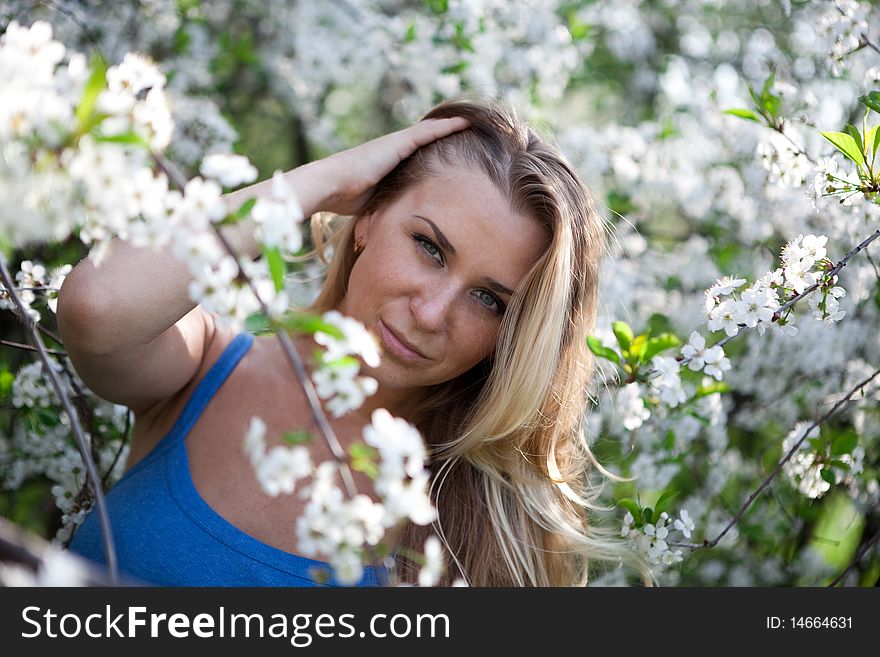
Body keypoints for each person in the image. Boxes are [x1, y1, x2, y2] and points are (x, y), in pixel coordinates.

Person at [58, 97, 637, 587]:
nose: (432, 314)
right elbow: (98, 306)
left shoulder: (484, 530)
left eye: (490, 300)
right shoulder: (202, 367)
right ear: (367, 216)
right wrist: (327, 180)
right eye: (429, 247)